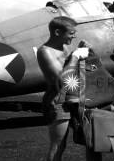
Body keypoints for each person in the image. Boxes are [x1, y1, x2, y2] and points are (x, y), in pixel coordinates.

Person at [37, 16, 90, 161]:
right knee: (58, 146)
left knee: (91, 142)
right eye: (71, 33)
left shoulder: (65, 47)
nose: (74, 36)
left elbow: (74, 71)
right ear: (58, 32)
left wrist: (80, 52)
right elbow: (62, 80)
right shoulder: (45, 51)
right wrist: (75, 56)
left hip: (74, 99)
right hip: (58, 102)